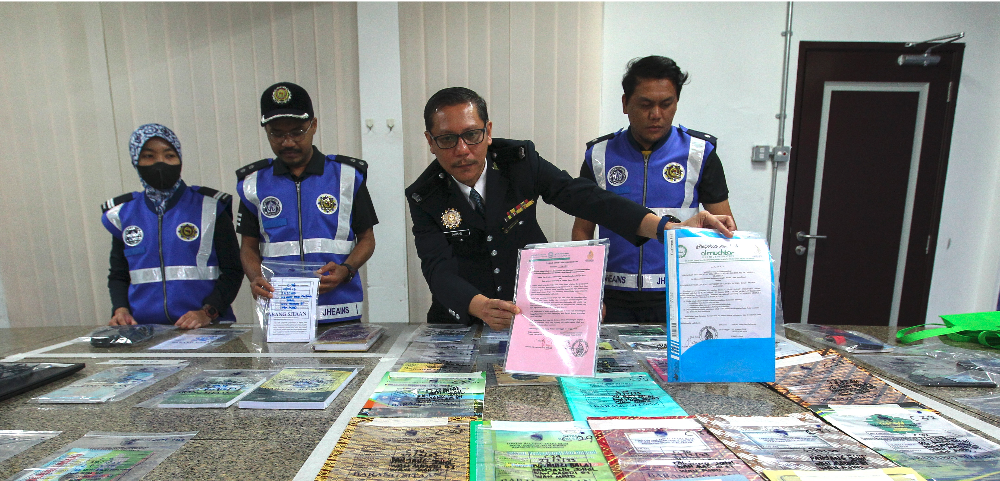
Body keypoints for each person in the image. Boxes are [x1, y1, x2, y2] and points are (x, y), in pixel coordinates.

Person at [405, 87, 735, 330]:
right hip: (460, 318)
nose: (462, 149)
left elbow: (587, 198)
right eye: (447, 139)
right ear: (430, 141)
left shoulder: (519, 162)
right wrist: (480, 307)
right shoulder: (425, 195)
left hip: (529, 314)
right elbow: (438, 269)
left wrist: (665, 229)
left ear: (488, 132)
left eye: (472, 135)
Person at [572, 55, 734, 323]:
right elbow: (582, 229)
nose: (656, 114)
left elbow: (726, 229)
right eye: (645, 104)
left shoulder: (700, 152)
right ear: (625, 104)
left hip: (677, 294)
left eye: (666, 104)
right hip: (613, 296)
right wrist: (586, 291)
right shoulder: (598, 155)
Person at [236, 82, 377, 323]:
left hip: (340, 309)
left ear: (313, 125)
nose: (287, 142)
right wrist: (254, 277)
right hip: (283, 313)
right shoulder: (253, 184)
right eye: (277, 134)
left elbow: (367, 239)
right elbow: (248, 247)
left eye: (297, 131)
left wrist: (346, 270)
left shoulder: (347, 176)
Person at [102, 123, 242, 327]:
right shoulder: (123, 214)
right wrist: (120, 309)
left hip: (206, 327)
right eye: (149, 156)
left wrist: (208, 312)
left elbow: (233, 271)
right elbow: (119, 275)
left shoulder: (210, 207)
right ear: (136, 161)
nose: (160, 163)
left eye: (169, 155)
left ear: (180, 160)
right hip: (145, 330)